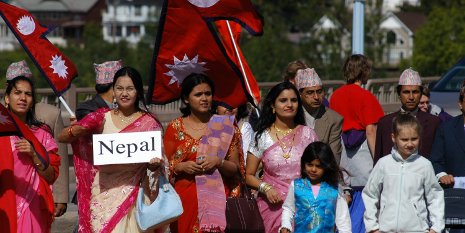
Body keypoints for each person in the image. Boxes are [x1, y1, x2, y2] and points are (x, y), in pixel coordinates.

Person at [58, 67, 165, 232]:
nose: (124, 93)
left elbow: (162, 165)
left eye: (130, 88)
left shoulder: (149, 123)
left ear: (138, 92)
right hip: (103, 195)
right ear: (113, 91)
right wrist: (78, 130)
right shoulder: (101, 117)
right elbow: (62, 137)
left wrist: (154, 167)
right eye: (119, 88)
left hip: (136, 197)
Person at [164, 73, 244, 233]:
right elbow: (164, 166)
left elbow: (236, 169)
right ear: (186, 98)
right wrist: (181, 167)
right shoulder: (175, 127)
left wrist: (218, 162)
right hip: (183, 201)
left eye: (208, 94)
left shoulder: (226, 126)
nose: (204, 98)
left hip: (217, 202)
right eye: (198, 94)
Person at [245, 81, 319, 233]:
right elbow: (248, 175)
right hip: (272, 207)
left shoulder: (308, 134)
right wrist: (266, 188)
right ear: (272, 105)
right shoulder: (262, 137)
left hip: (304, 205)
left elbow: (321, 168)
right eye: (283, 100)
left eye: (294, 100)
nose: (289, 104)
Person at [0, 60, 61, 232]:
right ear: (7, 97)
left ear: (33, 100)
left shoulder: (42, 134)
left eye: (28, 94)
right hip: (5, 204)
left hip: (32, 206)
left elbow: (51, 176)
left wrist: (34, 154)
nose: (22, 98)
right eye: (17, 93)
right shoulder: (1, 133)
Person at [329, 54, 385, 233]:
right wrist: (379, 160)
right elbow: (371, 130)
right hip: (362, 154)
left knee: (346, 194)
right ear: (365, 71)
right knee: (367, 197)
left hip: (342, 151)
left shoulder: (335, 96)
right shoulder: (367, 97)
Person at [363, 113, 444, 233]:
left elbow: (435, 197)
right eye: (404, 139)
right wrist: (372, 227)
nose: (410, 144)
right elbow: (370, 194)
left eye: (414, 139)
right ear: (393, 138)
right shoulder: (383, 164)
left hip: (417, 229)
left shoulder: (424, 165)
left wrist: (436, 228)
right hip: (386, 229)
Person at [280, 141, 351, 233]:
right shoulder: (297, 186)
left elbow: (343, 221)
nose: (313, 169)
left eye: (318, 166)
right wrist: (286, 225)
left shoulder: (334, 189)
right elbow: (288, 208)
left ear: (326, 166)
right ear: (304, 164)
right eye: (310, 165)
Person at [374, 68, 441, 163]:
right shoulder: (385, 123)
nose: (411, 97)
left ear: (421, 94)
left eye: (415, 92)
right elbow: (378, 160)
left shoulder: (434, 123)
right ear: (399, 94)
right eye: (406, 92)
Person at [430, 81, 465, 233]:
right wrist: (443, 175)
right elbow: (436, 160)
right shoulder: (447, 128)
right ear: (461, 104)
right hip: (455, 199)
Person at [294, 68, 343, 164]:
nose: (316, 97)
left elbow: (334, 157)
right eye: (310, 92)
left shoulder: (334, 119)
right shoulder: (291, 115)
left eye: (319, 91)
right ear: (300, 95)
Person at [35, 102, 69, 217]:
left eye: (27, 93)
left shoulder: (50, 114)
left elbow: (60, 157)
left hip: (40, 193)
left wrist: (60, 196)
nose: (22, 98)